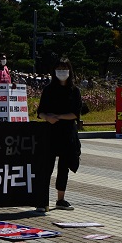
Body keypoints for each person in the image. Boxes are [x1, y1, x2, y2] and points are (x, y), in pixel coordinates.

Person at [36, 58, 82, 212]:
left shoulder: (74, 91)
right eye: (59, 69)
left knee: (64, 167)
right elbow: (40, 112)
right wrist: (47, 117)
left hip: (67, 133)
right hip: (50, 132)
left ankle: (60, 199)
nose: (62, 72)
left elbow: (75, 113)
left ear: (70, 71)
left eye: (64, 68)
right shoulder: (49, 90)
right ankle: (42, 200)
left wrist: (59, 117)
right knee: (46, 166)